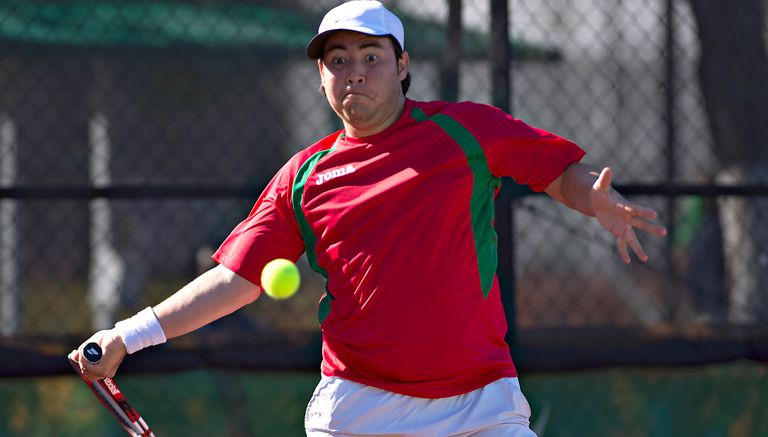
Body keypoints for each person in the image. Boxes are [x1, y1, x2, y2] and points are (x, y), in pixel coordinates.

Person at [70, 1, 668, 435]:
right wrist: (128, 334)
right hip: (359, 409)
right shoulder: (302, 177)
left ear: (403, 65)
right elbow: (236, 279)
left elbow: (557, 172)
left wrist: (598, 200)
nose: (354, 70)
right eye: (338, 59)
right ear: (321, 75)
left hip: (482, 408)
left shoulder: (466, 130)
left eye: (371, 56)